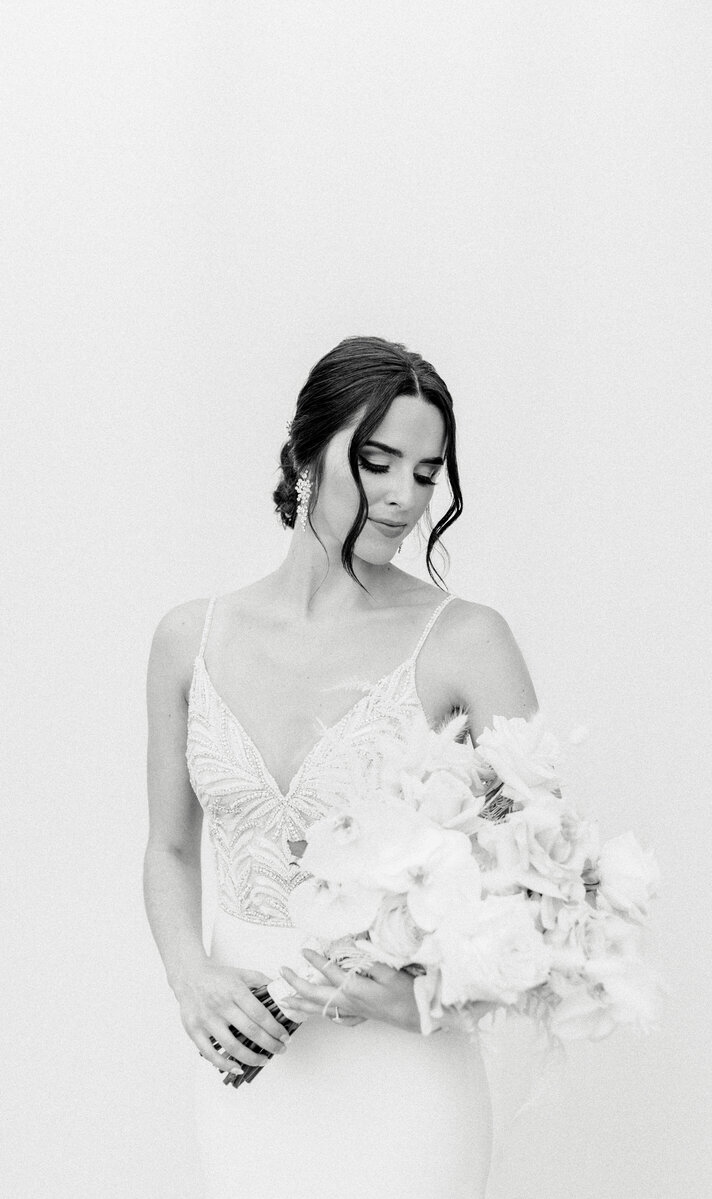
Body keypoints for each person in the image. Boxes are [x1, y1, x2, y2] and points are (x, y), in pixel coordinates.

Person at [144, 335, 539, 1198]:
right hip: (253, 1073)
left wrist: (418, 999)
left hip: (404, 1079)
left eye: (428, 472)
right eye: (377, 461)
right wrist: (193, 978)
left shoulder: (468, 642)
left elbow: (544, 883)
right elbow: (170, 848)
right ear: (302, 454)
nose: (405, 497)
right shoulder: (190, 638)